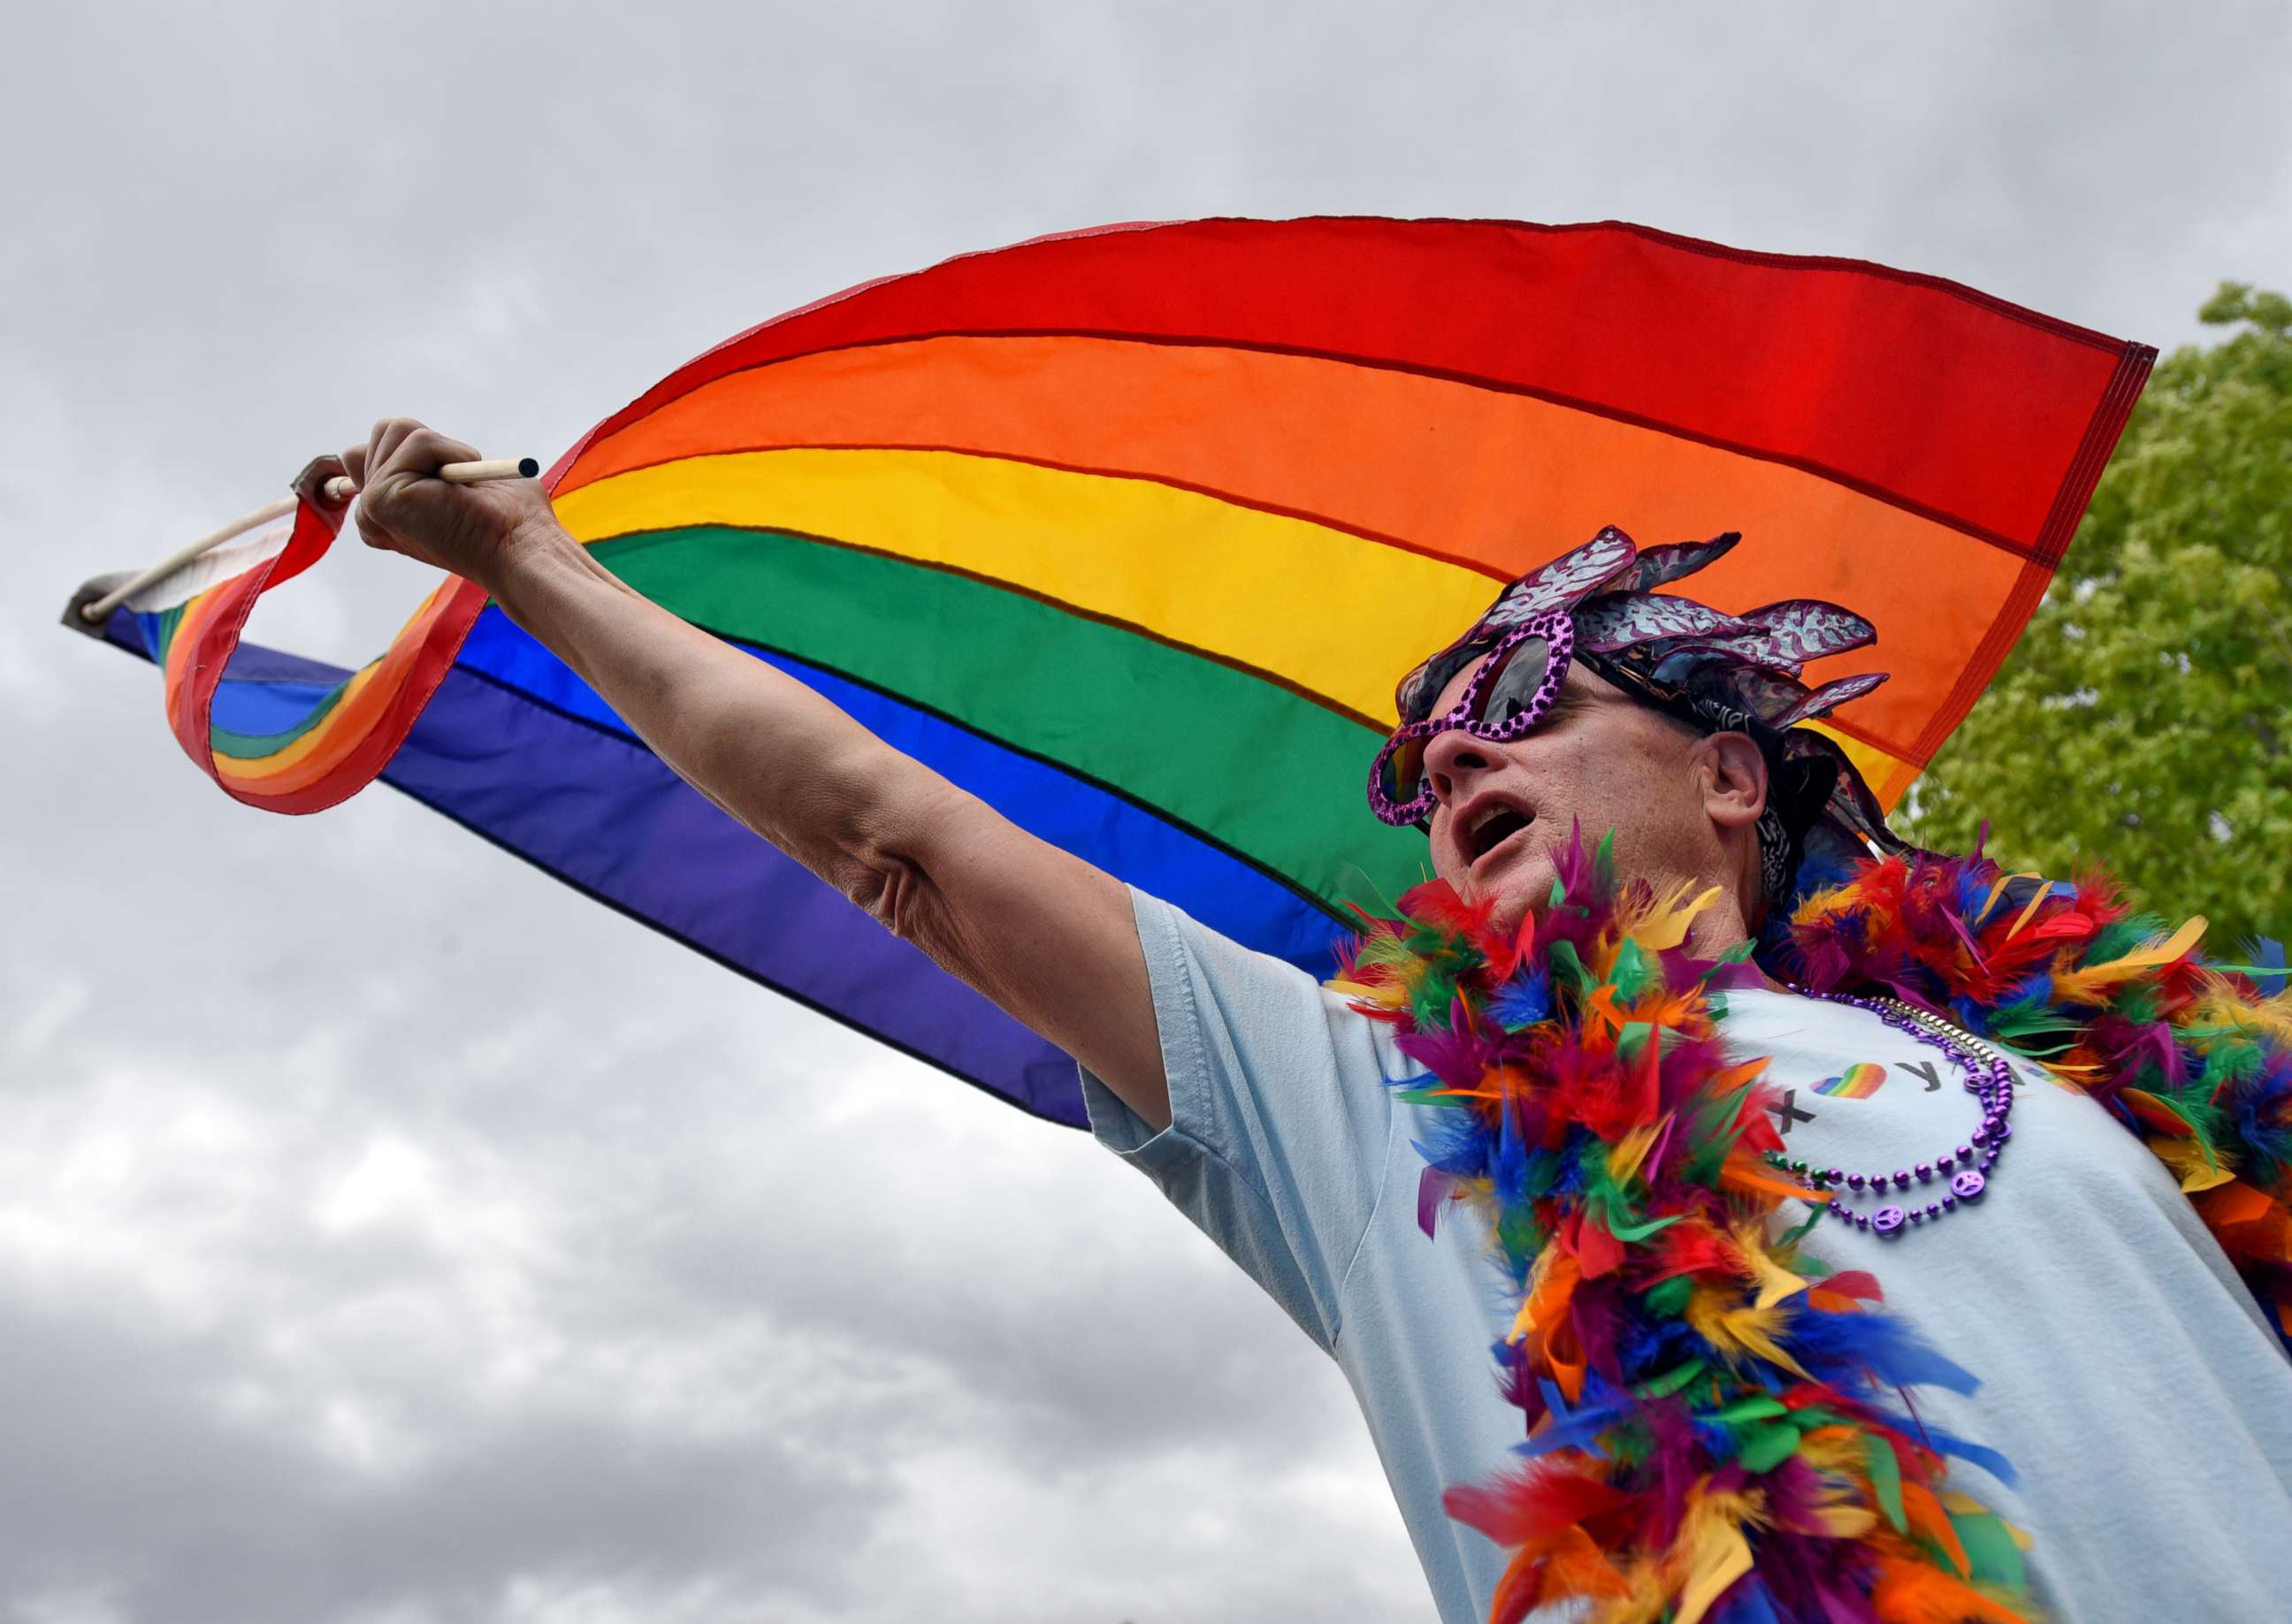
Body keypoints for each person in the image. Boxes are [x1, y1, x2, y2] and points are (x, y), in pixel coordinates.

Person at [331, 420, 2292, 1624]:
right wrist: (533, 562)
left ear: (1726, 778)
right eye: (1426, 770)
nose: (1450, 769)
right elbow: (887, 834)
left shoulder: (2094, 1071)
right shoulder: (1376, 1110)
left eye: (1519, 709)